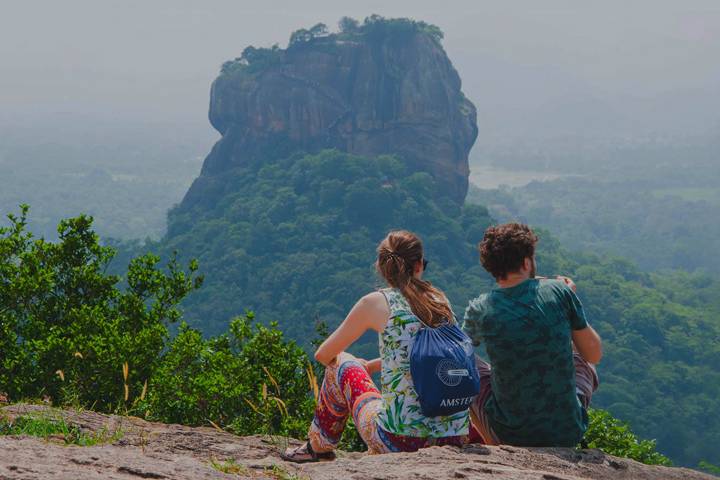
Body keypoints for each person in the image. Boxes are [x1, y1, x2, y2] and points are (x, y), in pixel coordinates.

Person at [282, 230, 470, 462]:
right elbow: (433, 357)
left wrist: (359, 366)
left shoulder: (375, 303)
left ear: (382, 268)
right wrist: (375, 364)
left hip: (399, 441)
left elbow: (324, 355)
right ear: (419, 264)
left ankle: (316, 447)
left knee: (340, 362)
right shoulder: (439, 300)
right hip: (455, 438)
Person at [464, 223, 601, 447]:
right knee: (581, 354)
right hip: (566, 433)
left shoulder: (480, 308)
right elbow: (593, 354)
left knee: (465, 360)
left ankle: (492, 443)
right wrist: (569, 300)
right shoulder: (559, 292)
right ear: (527, 262)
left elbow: (458, 357)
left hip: (509, 436)